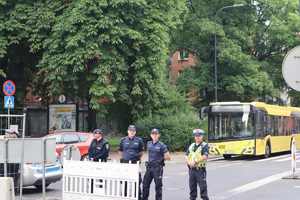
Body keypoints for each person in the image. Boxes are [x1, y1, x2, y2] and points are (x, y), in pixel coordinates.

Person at [142, 128, 171, 200]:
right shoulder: (148, 143)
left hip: (157, 168)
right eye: (153, 134)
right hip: (149, 168)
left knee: (158, 186)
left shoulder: (162, 145)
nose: (154, 135)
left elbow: (168, 157)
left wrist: (161, 159)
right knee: (145, 185)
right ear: (151, 135)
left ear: (158, 135)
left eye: (156, 134)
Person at [119, 125, 144, 199]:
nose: (132, 132)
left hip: (135, 163)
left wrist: (137, 157)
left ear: (135, 132)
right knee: (125, 180)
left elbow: (141, 151)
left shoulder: (139, 140)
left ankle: (138, 196)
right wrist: (124, 157)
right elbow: (120, 151)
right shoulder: (123, 140)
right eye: (130, 131)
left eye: (133, 131)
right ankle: (125, 195)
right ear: (128, 131)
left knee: (137, 180)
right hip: (125, 163)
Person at [186, 129, 210, 200]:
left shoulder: (204, 145)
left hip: (200, 170)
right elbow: (186, 155)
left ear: (202, 136)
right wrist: (188, 162)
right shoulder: (192, 145)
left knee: (203, 189)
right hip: (191, 170)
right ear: (194, 137)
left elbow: (205, 156)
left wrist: (195, 161)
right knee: (192, 189)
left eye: (199, 135)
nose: (197, 137)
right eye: (196, 136)